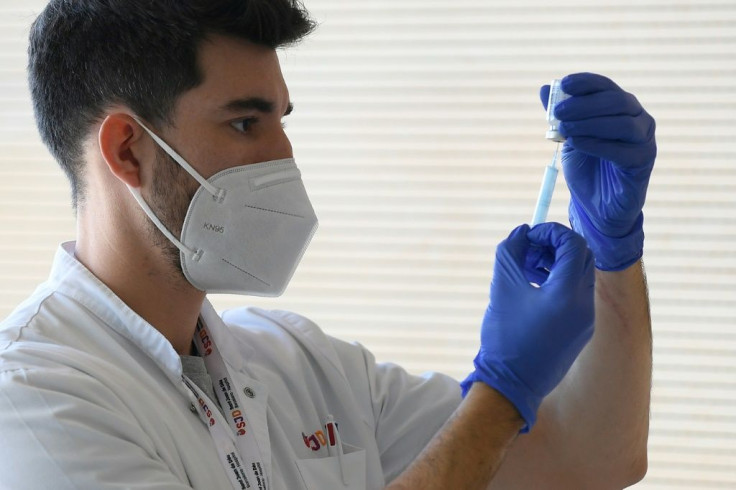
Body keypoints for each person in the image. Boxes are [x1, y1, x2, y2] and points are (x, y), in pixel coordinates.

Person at [0, 1, 655, 489]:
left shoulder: (302, 366)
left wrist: (612, 250)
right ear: (127, 150)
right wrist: (504, 391)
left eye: (281, 122)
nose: (283, 157)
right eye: (244, 121)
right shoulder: (35, 399)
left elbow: (592, 456)